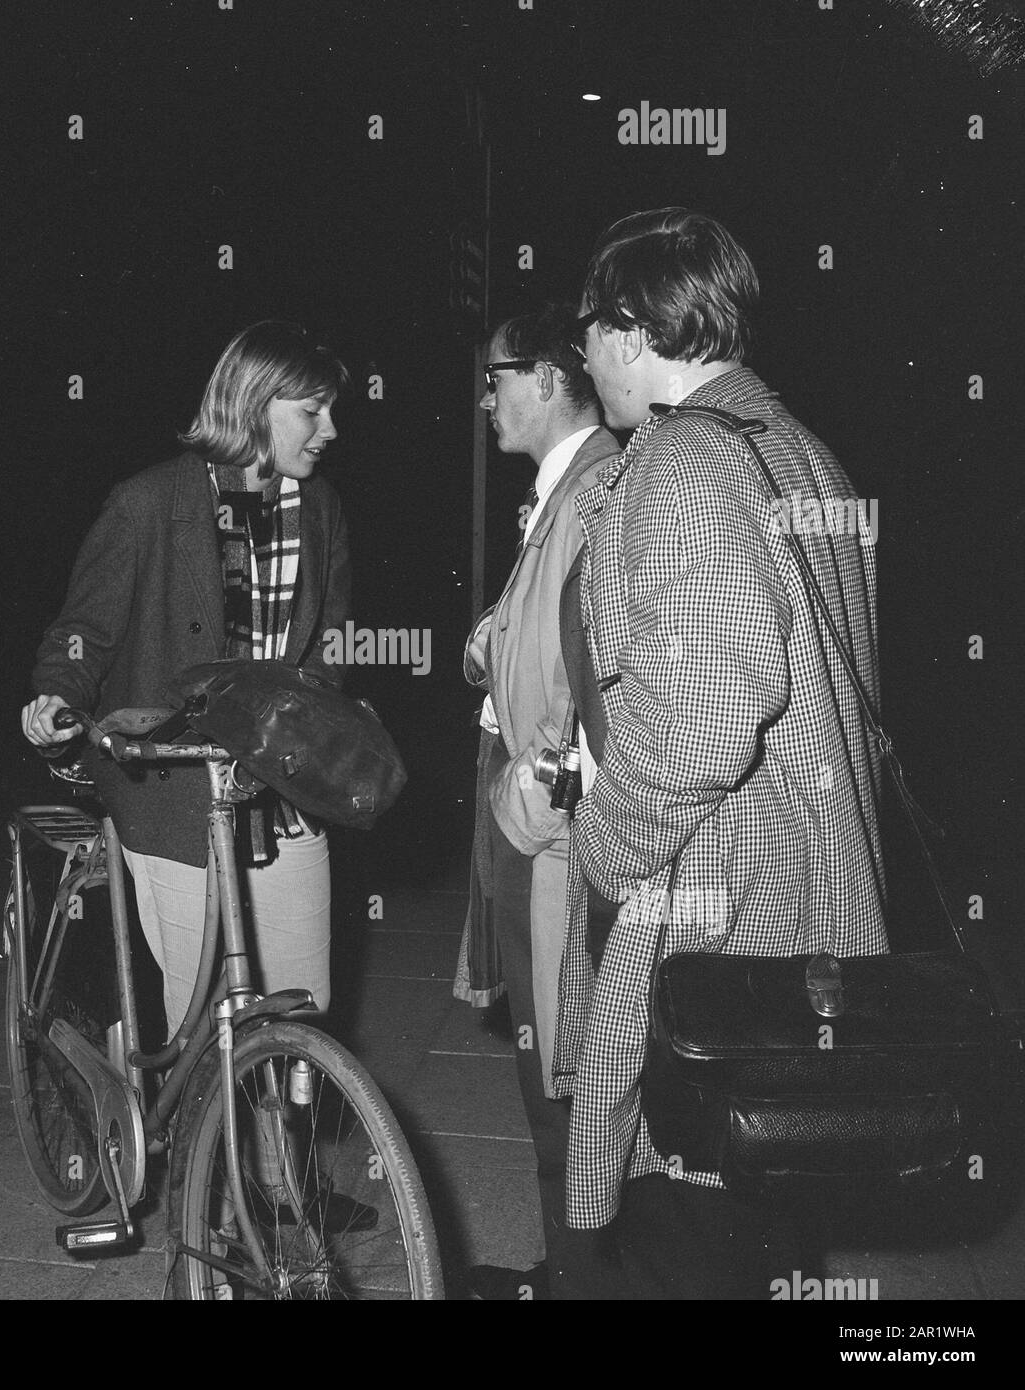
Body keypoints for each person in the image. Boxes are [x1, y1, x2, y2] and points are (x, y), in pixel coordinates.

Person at [554, 208, 887, 1298]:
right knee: (769, 1217)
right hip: (809, 898)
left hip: (714, 916)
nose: (583, 360)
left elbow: (702, 718)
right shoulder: (798, 446)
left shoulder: (687, 462)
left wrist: (600, 845)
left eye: (589, 334)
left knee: (690, 1218)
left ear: (633, 327)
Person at [21, 321, 351, 1038]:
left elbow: (327, 645)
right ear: (256, 405)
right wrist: (59, 695)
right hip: (173, 789)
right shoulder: (148, 502)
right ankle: (186, 1138)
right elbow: (87, 630)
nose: (330, 429)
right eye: (311, 410)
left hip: (284, 793)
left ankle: (281, 1148)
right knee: (204, 1020)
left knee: (304, 1013)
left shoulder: (319, 509)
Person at [455, 304, 621, 1300]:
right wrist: (498, 628)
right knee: (547, 1064)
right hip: (528, 804)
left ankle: (580, 1283)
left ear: (550, 379)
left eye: (496, 377)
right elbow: (550, 627)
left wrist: (545, 784)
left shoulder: (598, 487)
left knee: (564, 1076)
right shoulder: (565, 488)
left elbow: (602, 675)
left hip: (551, 821)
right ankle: (571, 1272)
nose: (485, 399)